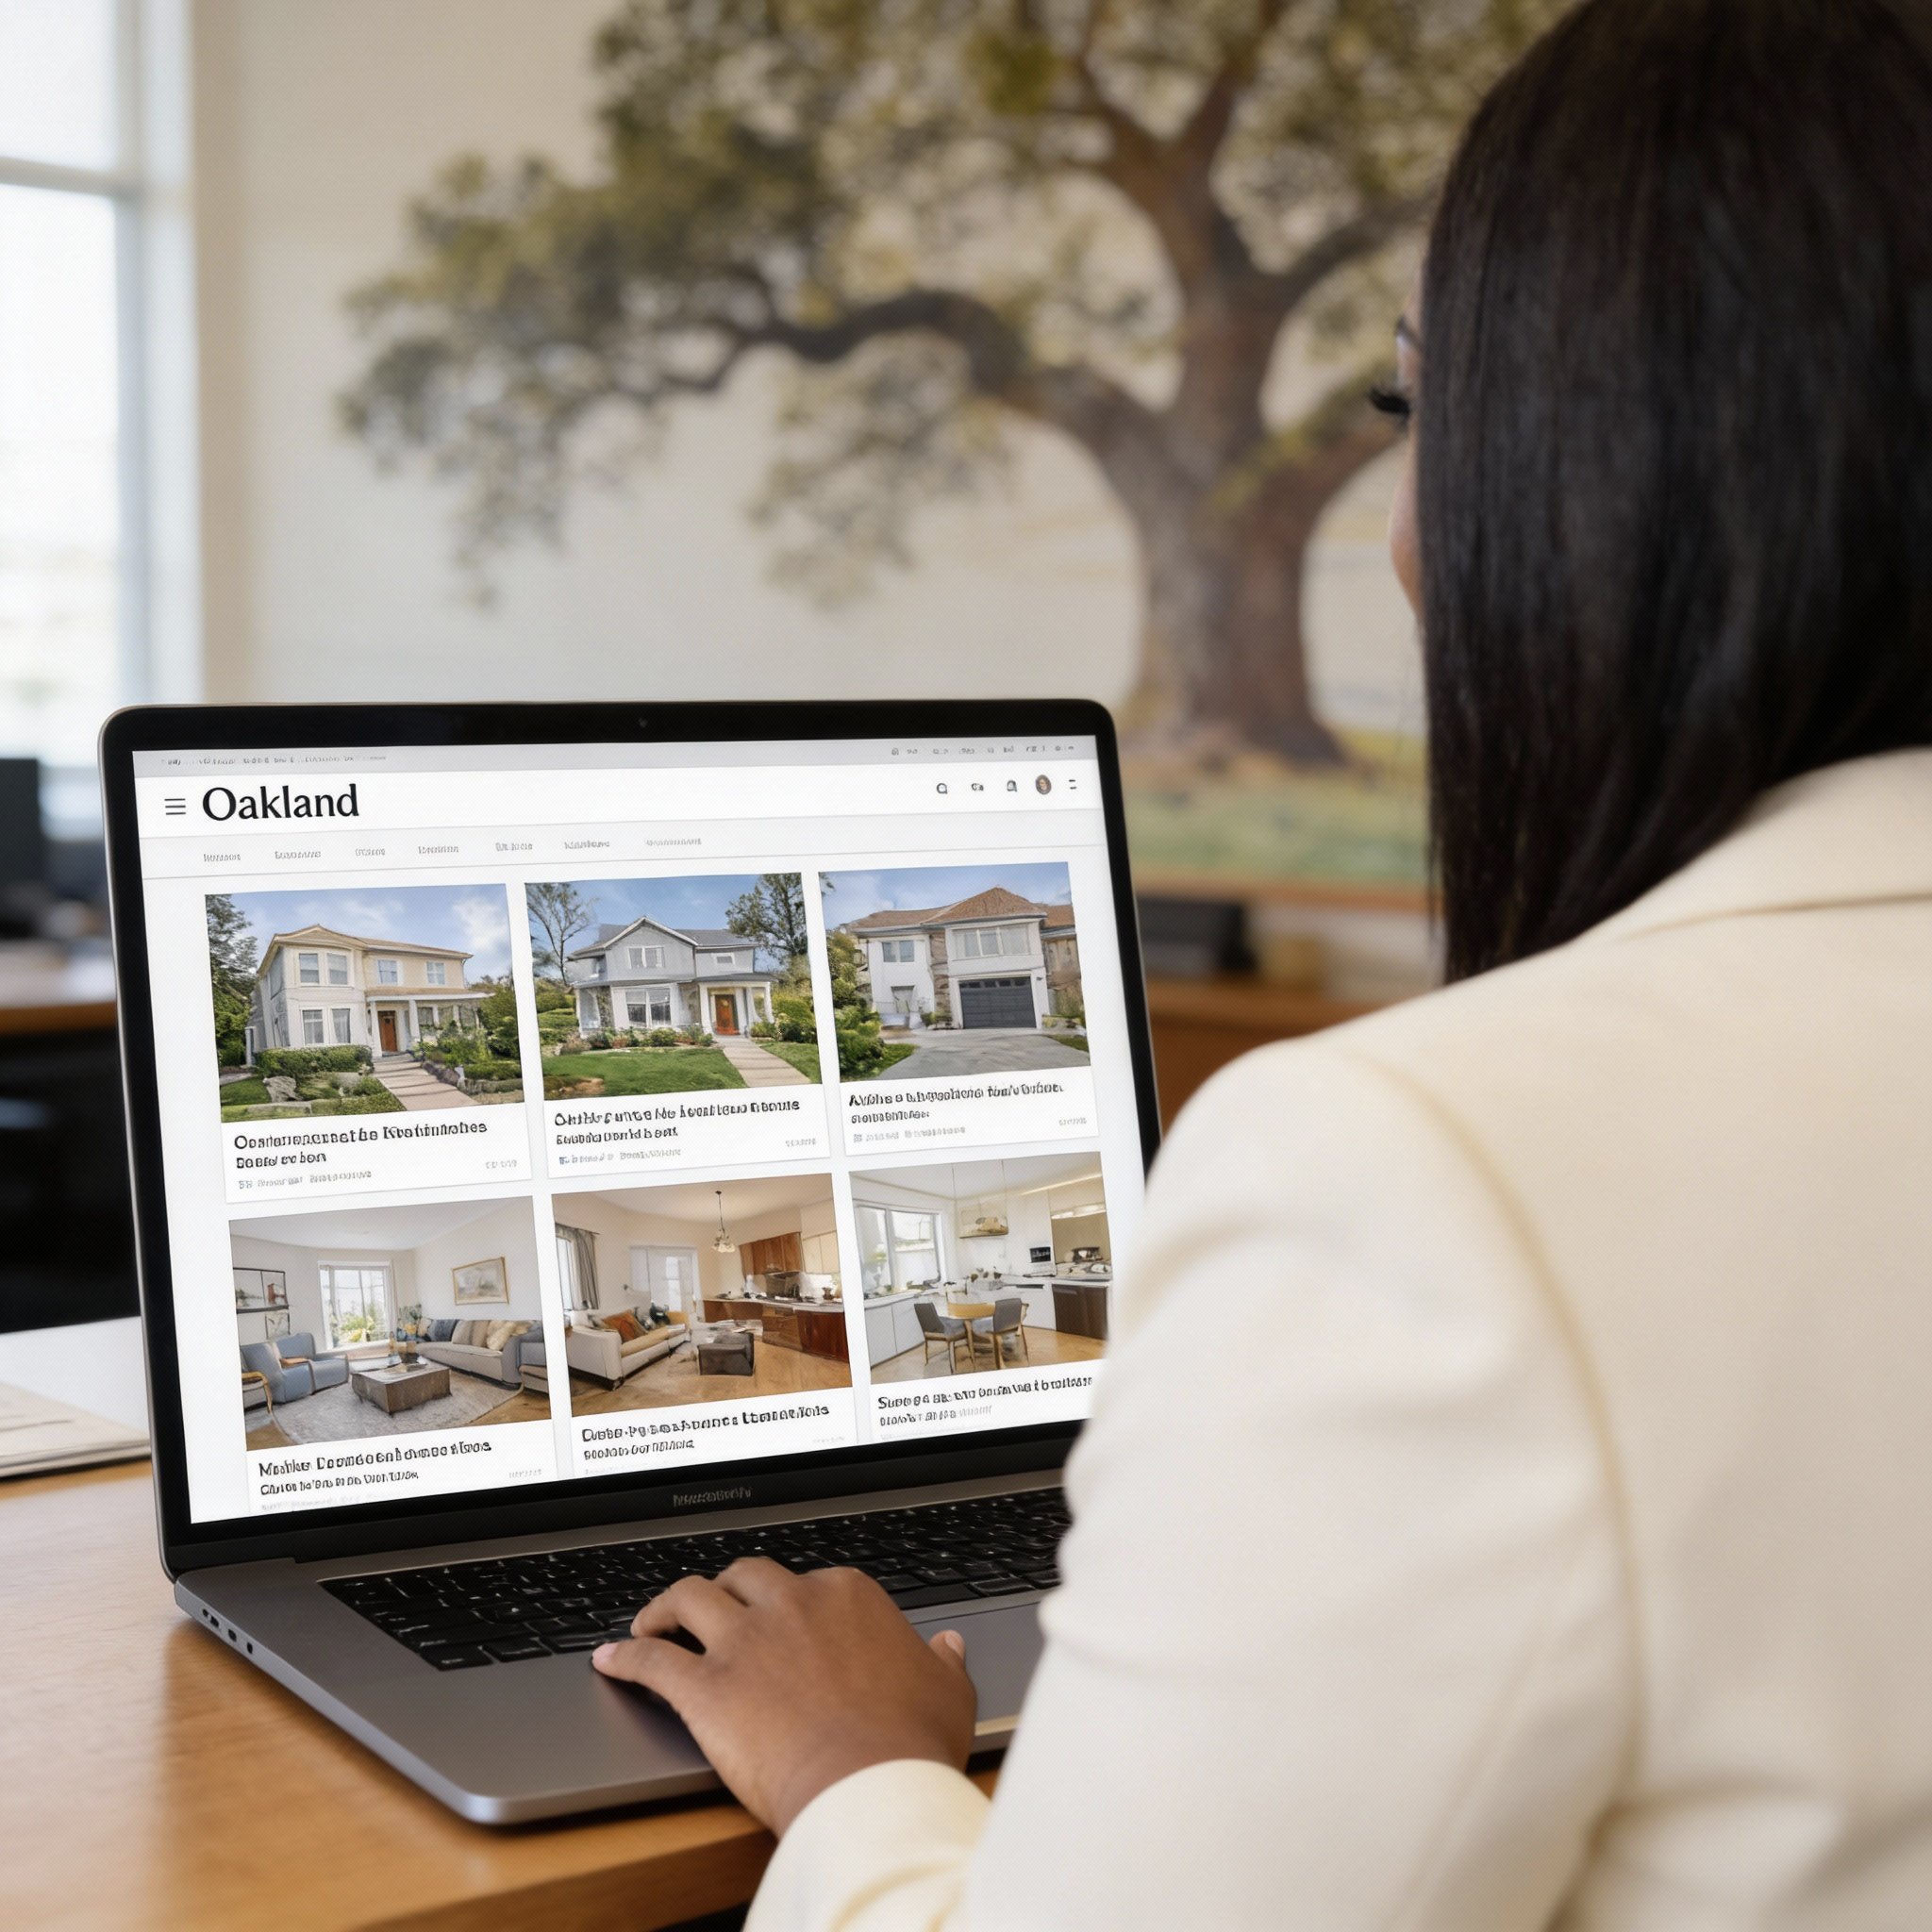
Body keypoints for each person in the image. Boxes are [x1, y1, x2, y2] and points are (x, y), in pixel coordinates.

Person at [592, 0, 1932, 1922]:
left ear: (1587, 485)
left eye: (1415, 412)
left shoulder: (1425, 1173)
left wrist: (857, 1778)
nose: (1398, 536)